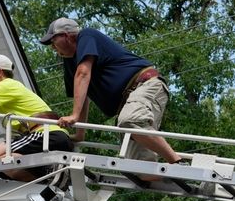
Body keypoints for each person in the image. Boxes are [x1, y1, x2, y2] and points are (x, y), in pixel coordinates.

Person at [39, 18, 182, 164]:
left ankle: (177, 162)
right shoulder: (70, 61)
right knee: (139, 167)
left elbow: (83, 73)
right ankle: (175, 181)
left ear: (66, 36)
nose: (53, 47)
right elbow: (82, 96)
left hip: (144, 85)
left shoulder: (87, 36)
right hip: (128, 103)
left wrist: (74, 116)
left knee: (130, 121)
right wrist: (80, 132)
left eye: (53, 41)